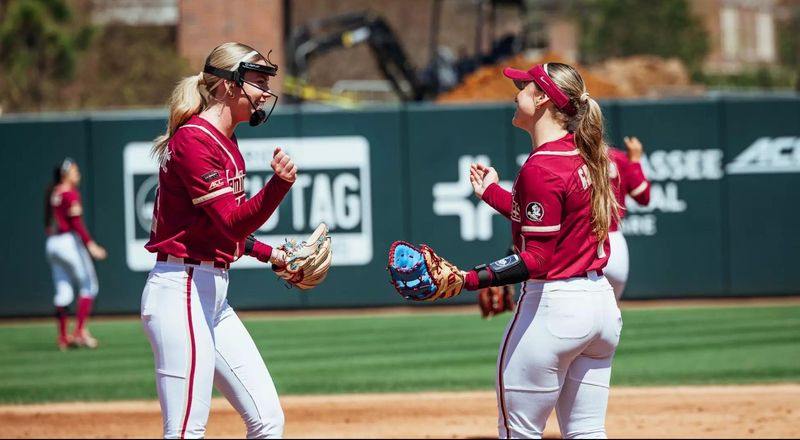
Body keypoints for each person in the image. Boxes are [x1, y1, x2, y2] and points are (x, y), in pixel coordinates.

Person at [141, 42, 296, 438]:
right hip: (182, 289)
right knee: (185, 432)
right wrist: (277, 186)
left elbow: (219, 232)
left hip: (211, 294)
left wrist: (270, 253)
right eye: (258, 81)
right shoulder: (195, 140)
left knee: (267, 420)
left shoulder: (227, 142)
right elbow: (230, 223)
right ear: (229, 85)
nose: (265, 92)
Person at [466, 62, 622, 438]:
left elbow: (537, 259)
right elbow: (550, 221)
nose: (515, 93)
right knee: (586, 431)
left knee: (518, 432)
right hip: (599, 307)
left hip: (553, 309)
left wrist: (468, 279)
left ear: (540, 100)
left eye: (523, 87)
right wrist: (492, 193)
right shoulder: (583, 154)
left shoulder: (541, 166)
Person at [44, 157, 107, 351]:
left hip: (52, 243)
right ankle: (80, 331)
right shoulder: (70, 194)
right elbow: (76, 223)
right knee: (89, 285)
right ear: (66, 174)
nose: (78, 175)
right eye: (75, 171)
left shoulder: (54, 192)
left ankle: (63, 338)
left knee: (63, 291)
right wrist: (91, 245)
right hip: (68, 242)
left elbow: (47, 221)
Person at [606, 136, 651, 299]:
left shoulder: (566, 156)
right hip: (614, 243)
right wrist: (635, 161)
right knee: (609, 314)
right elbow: (643, 197)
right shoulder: (616, 158)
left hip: (580, 242)